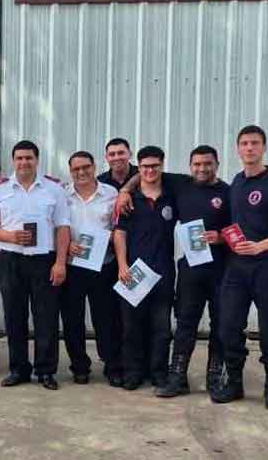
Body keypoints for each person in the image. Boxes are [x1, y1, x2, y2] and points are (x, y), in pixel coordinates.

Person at [116, 146, 231, 397]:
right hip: (165, 271)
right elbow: (121, 229)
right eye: (197, 164)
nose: (202, 168)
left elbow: (239, 228)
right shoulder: (179, 186)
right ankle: (166, 376)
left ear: (217, 164)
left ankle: (208, 377)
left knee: (205, 325)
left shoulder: (226, 192)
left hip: (212, 270)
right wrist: (124, 190)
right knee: (149, 325)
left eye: (207, 163)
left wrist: (222, 237)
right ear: (190, 166)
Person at [212, 125, 268, 410]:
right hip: (236, 269)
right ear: (238, 149)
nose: (249, 148)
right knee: (228, 325)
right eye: (245, 143)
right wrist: (219, 237)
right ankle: (234, 382)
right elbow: (235, 226)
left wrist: (261, 246)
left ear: (264, 147)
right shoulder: (236, 183)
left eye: (255, 143)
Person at [0, 140, 70, 390]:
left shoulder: (54, 190)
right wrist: (10, 236)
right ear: (13, 161)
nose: (24, 162)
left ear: (37, 160)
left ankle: (45, 371)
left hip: (44, 260)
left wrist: (60, 263)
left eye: (29, 158)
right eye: (19, 158)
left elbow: (63, 227)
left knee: (46, 318)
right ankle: (18, 369)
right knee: (14, 317)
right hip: (11, 260)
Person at [112, 146, 178, 391]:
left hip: (163, 272)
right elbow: (119, 234)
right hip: (134, 272)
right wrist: (122, 265)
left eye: (154, 166)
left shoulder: (172, 196)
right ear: (138, 168)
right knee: (131, 326)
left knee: (161, 327)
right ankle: (133, 372)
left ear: (162, 166)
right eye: (145, 166)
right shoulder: (130, 200)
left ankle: (159, 373)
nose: (150, 170)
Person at [60, 151, 122, 386]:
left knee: (106, 319)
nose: (81, 172)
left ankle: (112, 365)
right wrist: (67, 246)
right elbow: (55, 226)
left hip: (103, 265)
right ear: (70, 171)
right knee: (72, 320)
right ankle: (79, 366)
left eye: (86, 167)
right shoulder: (62, 195)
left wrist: (108, 239)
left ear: (94, 167)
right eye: (76, 169)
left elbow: (119, 226)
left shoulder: (111, 193)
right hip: (72, 266)